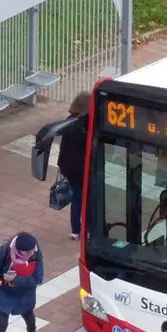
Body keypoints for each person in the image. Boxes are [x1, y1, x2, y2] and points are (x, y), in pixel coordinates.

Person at [57, 94, 91, 241]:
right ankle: (86, 229)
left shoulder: (69, 122)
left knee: (77, 196)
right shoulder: (83, 125)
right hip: (80, 168)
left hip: (67, 167)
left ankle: (75, 231)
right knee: (83, 197)